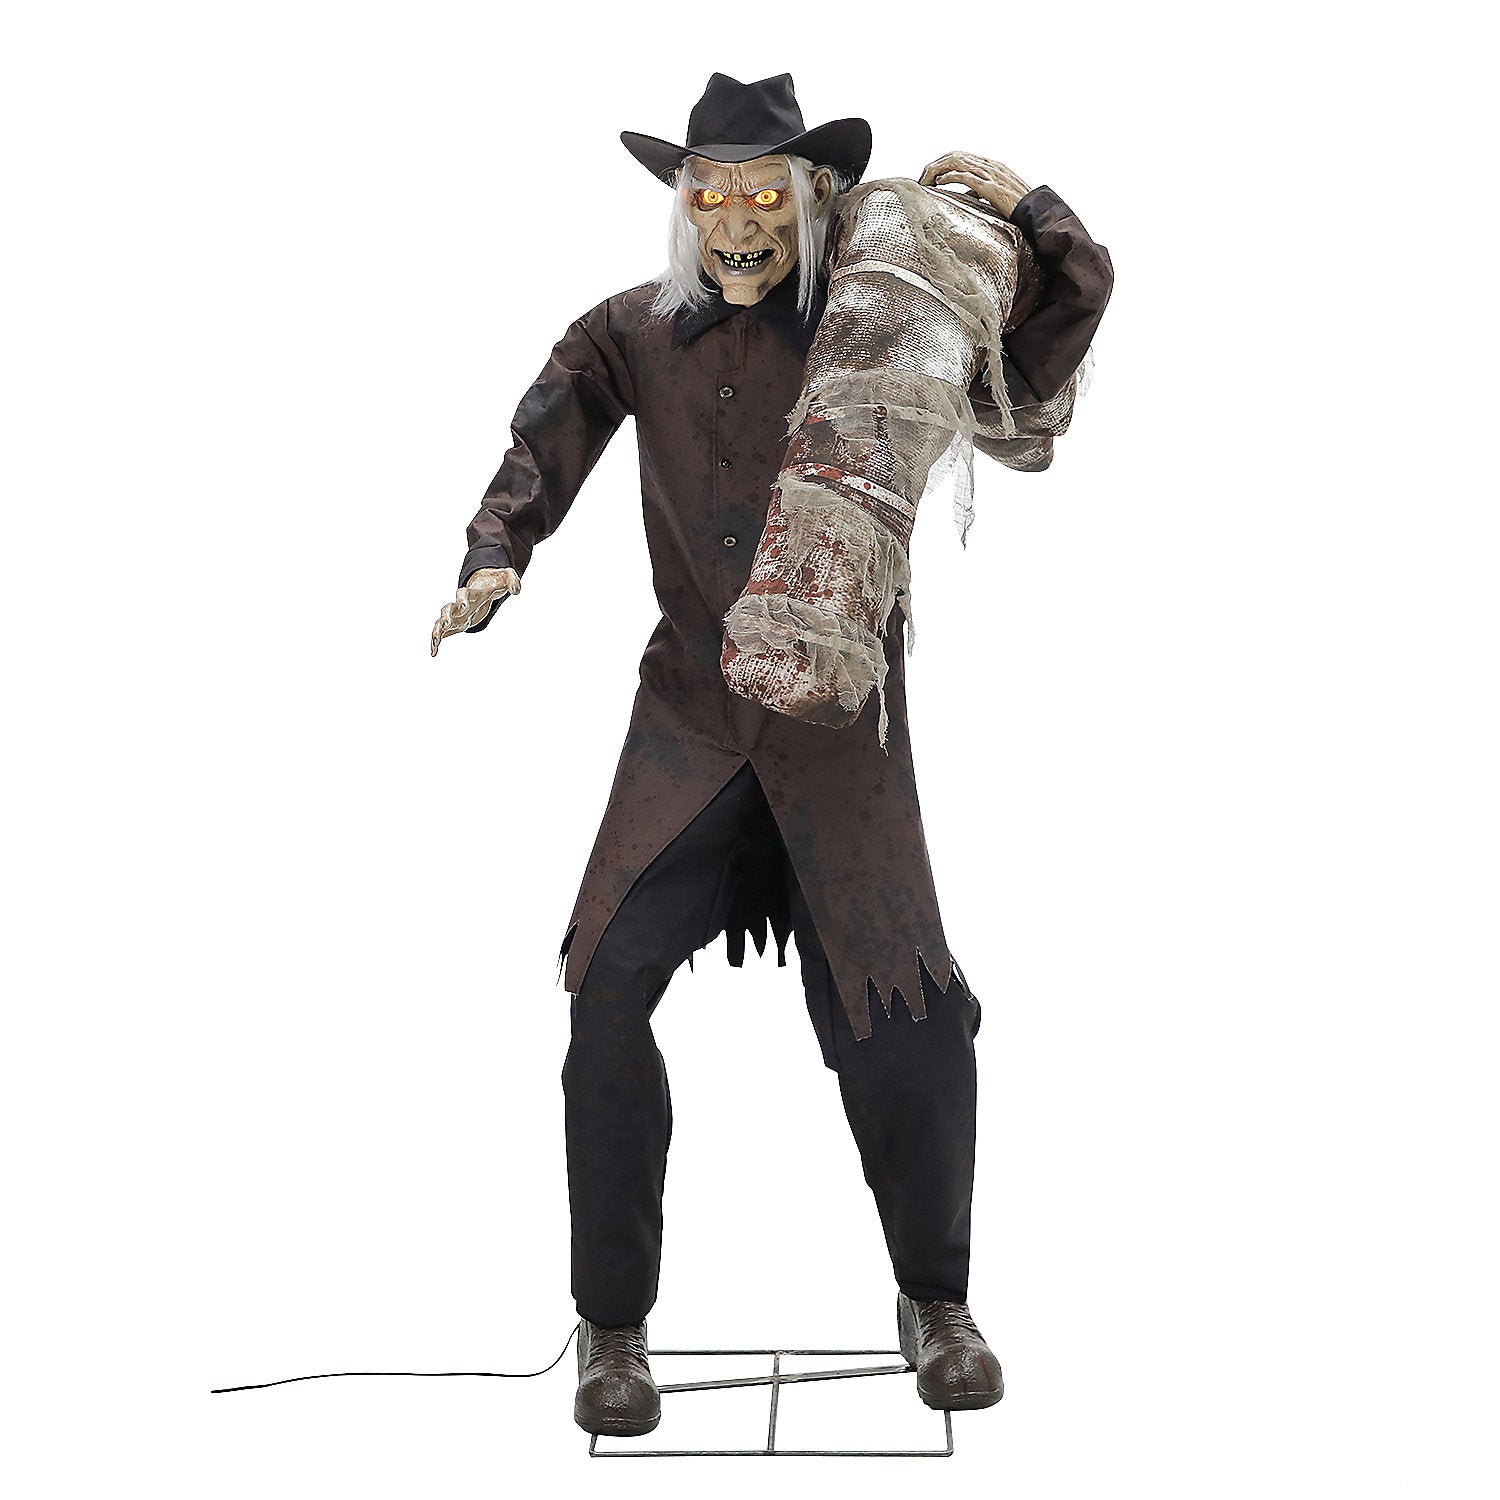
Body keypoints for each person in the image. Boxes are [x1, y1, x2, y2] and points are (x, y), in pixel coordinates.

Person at [430, 72, 1113, 1438]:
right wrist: (496, 553)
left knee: (911, 1017)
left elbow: (1028, 371)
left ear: (810, 203)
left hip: (841, 732)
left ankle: (938, 1303)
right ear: (684, 206)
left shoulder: (885, 331)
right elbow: (544, 432)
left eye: (761, 194)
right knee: (604, 992)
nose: (735, 220)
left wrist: (1046, 223)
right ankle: (611, 1328)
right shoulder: (628, 331)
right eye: (711, 195)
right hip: (688, 724)